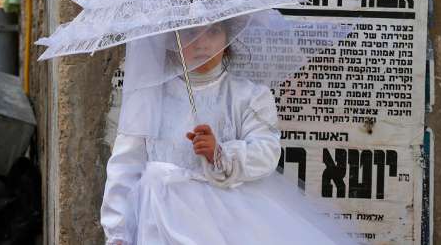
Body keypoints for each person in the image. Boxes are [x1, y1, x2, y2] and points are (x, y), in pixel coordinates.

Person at [101, 19, 356, 245]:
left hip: (223, 218)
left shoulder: (247, 96)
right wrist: (118, 232)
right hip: (158, 217)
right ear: (172, 39)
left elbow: (266, 151)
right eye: (190, 33)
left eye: (213, 31)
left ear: (229, 37)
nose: (202, 44)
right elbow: (125, 165)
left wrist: (219, 153)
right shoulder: (150, 98)